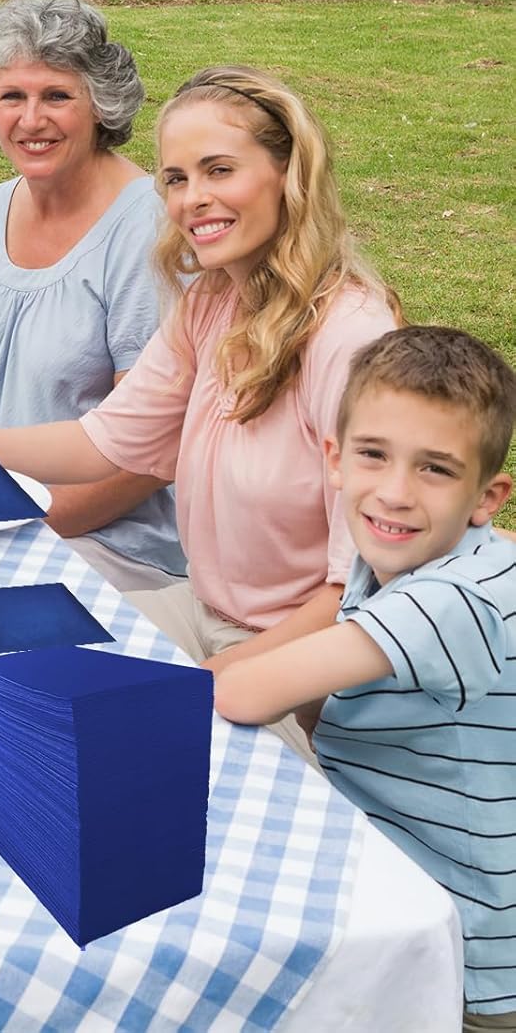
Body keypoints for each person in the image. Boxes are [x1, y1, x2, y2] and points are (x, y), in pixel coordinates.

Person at [0, 67, 401, 754]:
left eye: (219, 170)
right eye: (175, 179)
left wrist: (215, 674)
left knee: (115, 746)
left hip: (307, 659)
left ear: (289, 175)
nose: (194, 199)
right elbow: (100, 443)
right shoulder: (213, 303)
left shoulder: (350, 338)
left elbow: (360, 592)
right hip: (202, 610)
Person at [214, 326, 516, 1032]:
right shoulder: (411, 560)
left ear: (487, 494)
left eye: (435, 469)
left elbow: (244, 694)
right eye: (374, 455)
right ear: (336, 459)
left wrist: (224, 674)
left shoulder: (447, 596)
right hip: (394, 870)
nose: (396, 492)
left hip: (460, 951)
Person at [0, 0, 181, 592]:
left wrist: (19, 525)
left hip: (99, 540)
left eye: (57, 96)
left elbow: (150, 453)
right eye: (12, 96)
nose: (31, 119)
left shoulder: (147, 228)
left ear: (101, 104)